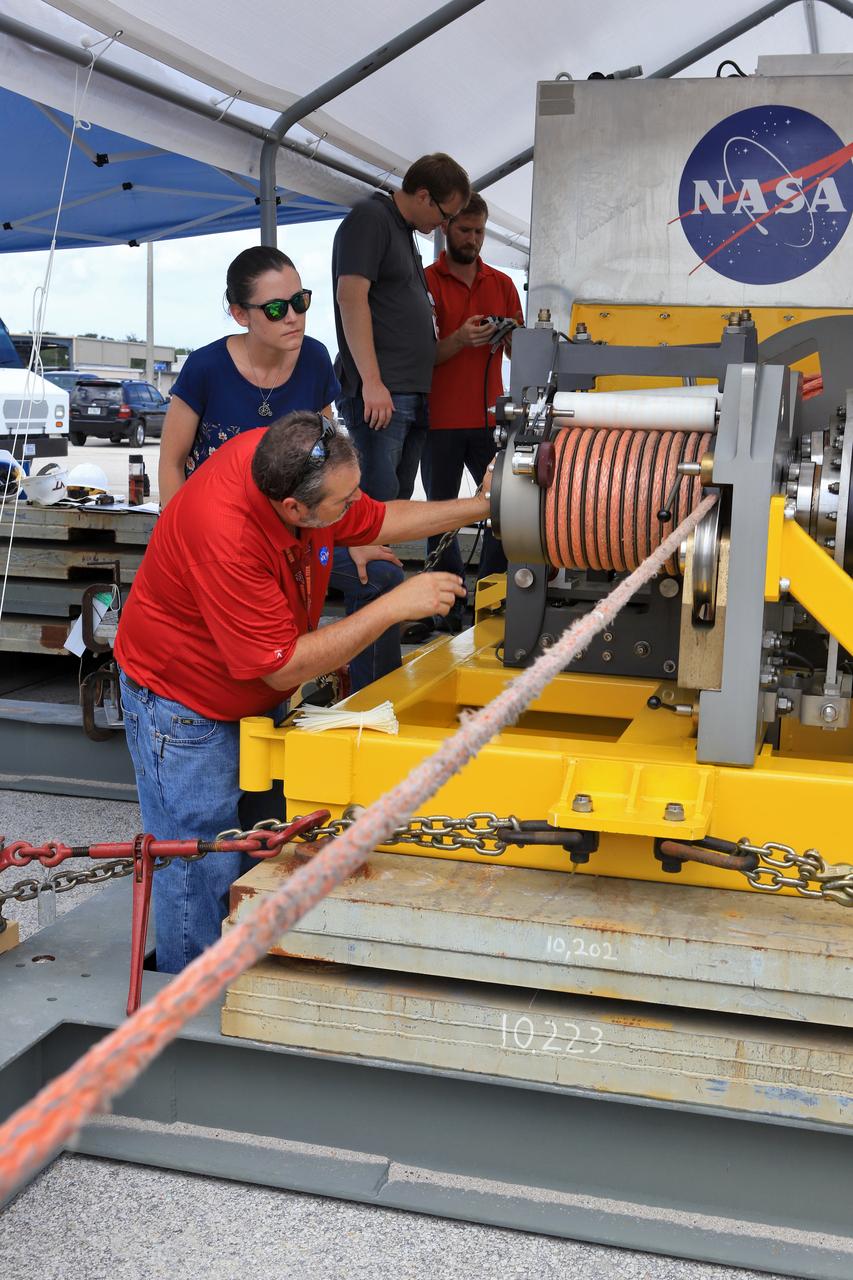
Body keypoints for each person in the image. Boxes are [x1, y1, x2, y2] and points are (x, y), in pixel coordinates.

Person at [114, 410, 490, 974]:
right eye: (342, 503)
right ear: (294, 510)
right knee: (198, 864)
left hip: (245, 693)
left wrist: (488, 506)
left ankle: (240, 974)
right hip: (183, 706)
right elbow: (282, 666)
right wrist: (393, 607)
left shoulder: (289, 469)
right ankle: (189, 1007)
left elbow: (379, 518)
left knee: (254, 848)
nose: (352, 508)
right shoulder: (226, 533)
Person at [157, 245, 402, 692]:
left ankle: (370, 706)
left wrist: (356, 535)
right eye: (275, 308)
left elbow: (333, 462)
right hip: (228, 544)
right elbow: (172, 462)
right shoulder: (206, 367)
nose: (293, 316)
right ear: (239, 314)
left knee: (382, 575)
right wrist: (180, 543)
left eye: (300, 301)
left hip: (300, 532)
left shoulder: (313, 358)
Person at [332, 153, 471, 504]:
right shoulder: (371, 219)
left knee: (397, 502)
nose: (445, 225)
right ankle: (364, 560)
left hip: (408, 392)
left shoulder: (403, 230)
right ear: (423, 196)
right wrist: (372, 382)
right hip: (382, 395)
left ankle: (382, 558)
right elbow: (350, 298)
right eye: (446, 214)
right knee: (377, 503)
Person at [422, 192, 524, 629]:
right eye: (465, 230)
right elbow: (420, 356)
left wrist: (509, 335)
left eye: (480, 231)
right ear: (446, 227)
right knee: (439, 515)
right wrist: (460, 340)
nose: (474, 239)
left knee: (504, 509)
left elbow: (522, 349)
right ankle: (445, 609)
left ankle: (491, 602)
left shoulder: (501, 283)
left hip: (489, 418)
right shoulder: (424, 282)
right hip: (439, 420)